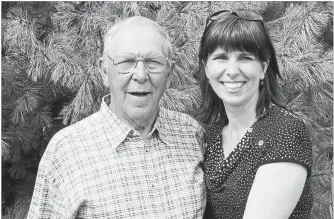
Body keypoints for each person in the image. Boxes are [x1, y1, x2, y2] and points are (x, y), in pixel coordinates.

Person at [27, 16, 206, 219]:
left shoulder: (191, 134)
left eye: (153, 62)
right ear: (104, 71)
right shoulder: (67, 151)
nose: (140, 75)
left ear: (170, 73)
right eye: (126, 62)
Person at [197, 10, 313, 219]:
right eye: (221, 58)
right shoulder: (212, 136)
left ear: (263, 67)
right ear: (206, 68)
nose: (232, 70)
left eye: (245, 57)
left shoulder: (284, 132)